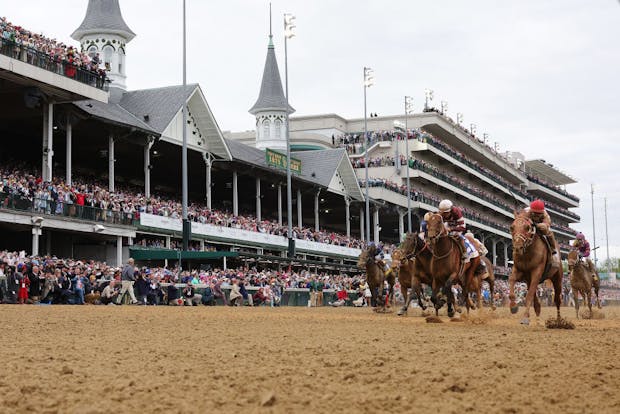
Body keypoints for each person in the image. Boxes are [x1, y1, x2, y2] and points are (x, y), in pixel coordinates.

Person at [525, 199, 559, 265]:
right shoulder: (526, 211)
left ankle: (552, 248)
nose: (536, 215)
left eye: (538, 214)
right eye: (535, 213)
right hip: (529, 225)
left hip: (540, 226)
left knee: (548, 232)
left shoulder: (546, 215)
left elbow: (547, 223)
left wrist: (541, 225)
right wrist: (528, 221)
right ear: (531, 211)